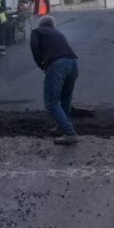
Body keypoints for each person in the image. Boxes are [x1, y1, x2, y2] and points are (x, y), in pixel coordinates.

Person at [29, 15, 79, 145]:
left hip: (58, 65)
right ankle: (62, 126)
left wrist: (42, 65)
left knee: (51, 103)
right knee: (65, 100)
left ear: (41, 25)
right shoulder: (58, 32)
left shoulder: (37, 32)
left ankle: (70, 133)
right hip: (73, 63)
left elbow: (35, 49)